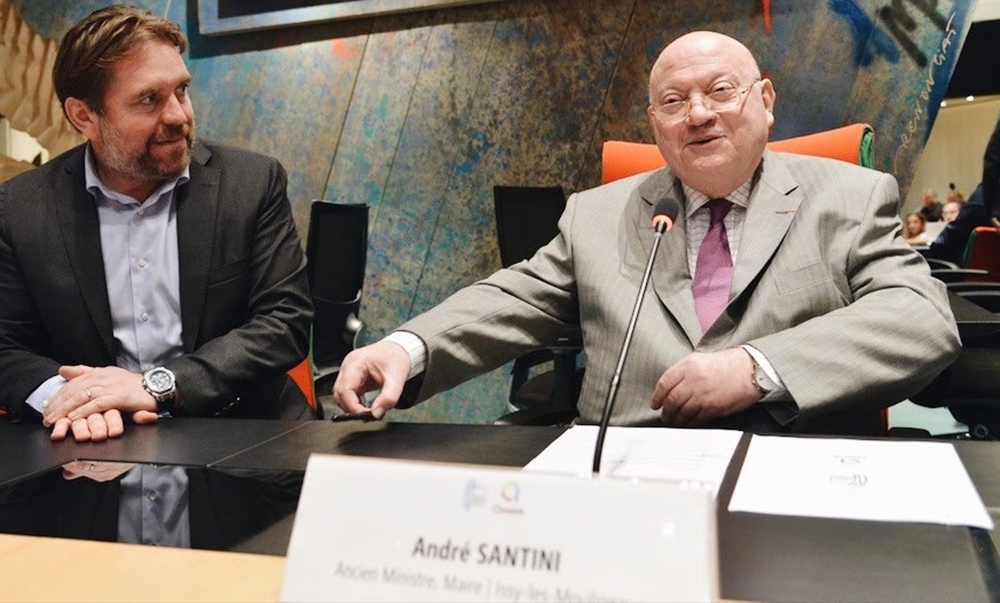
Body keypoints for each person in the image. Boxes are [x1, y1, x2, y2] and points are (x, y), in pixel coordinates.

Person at [334, 31, 959, 434]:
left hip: (794, 480)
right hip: (625, 478)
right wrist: (406, 348)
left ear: (766, 101)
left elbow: (920, 318)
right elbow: (510, 300)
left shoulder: (849, 197)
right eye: (673, 101)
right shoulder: (598, 215)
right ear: (655, 125)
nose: (699, 115)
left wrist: (757, 367)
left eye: (721, 91)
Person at [0, 6, 312, 442]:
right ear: (84, 116)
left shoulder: (252, 182)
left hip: (247, 435)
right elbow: (6, 345)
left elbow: (285, 321)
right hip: (95, 443)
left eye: (181, 91)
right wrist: (70, 398)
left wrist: (158, 386)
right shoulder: (19, 207)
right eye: (149, 99)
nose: (178, 116)